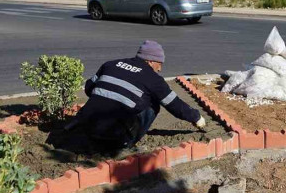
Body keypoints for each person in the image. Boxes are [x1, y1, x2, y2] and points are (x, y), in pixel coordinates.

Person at [65, 40, 205, 150]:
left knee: (100, 97)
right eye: (159, 64)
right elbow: (174, 105)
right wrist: (196, 117)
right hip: (113, 138)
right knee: (153, 103)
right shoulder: (153, 79)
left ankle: (78, 124)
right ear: (150, 61)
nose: (160, 68)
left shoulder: (110, 64)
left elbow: (89, 88)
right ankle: (126, 144)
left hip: (87, 129)